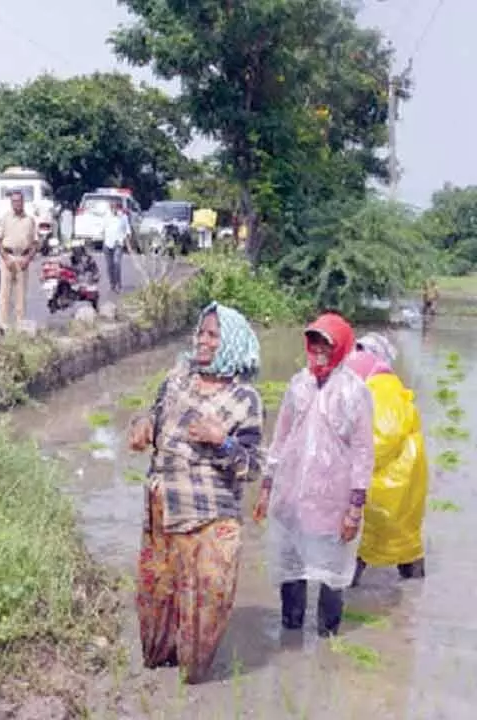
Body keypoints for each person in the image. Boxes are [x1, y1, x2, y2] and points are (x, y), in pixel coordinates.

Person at [127, 302, 264, 684]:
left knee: (205, 610)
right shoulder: (178, 377)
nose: (203, 341)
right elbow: (153, 415)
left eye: (213, 335)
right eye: (201, 333)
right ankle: (156, 676)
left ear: (231, 343)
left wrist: (222, 443)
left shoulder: (245, 399)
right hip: (163, 509)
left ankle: (195, 688)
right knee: (158, 601)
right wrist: (142, 425)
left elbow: (252, 466)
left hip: (210, 520)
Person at [254, 311, 374, 637]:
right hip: (291, 496)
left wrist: (355, 507)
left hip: (331, 502)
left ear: (341, 347)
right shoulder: (298, 385)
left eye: (327, 343)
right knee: (291, 569)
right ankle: (290, 637)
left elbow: (364, 453)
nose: (319, 349)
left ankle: (326, 644)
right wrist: (267, 486)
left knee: (329, 574)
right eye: (314, 341)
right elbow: (280, 438)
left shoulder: (354, 392)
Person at [346, 336, 427, 584]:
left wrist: (347, 463)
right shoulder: (374, 385)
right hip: (400, 477)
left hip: (390, 481)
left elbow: (381, 439)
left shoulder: (382, 388)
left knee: (359, 548)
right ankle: (412, 608)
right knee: (403, 543)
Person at [0, 189, 37, 331]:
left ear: (23, 202)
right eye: (14, 201)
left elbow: (35, 243)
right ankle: (2, 325)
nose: (17, 203)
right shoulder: (5, 219)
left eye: (19, 201)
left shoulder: (30, 220)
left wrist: (28, 259)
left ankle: (20, 324)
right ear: (11, 203)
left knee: (21, 295)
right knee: (4, 293)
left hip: (23, 258)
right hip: (8, 258)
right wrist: (5, 258)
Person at [104, 205, 130, 293]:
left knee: (117, 263)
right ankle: (112, 283)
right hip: (108, 243)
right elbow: (102, 228)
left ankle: (119, 284)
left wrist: (126, 240)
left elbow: (127, 230)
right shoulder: (107, 216)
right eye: (112, 208)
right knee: (109, 265)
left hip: (118, 243)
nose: (114, 210)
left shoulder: (123, 217)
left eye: (116, 208)